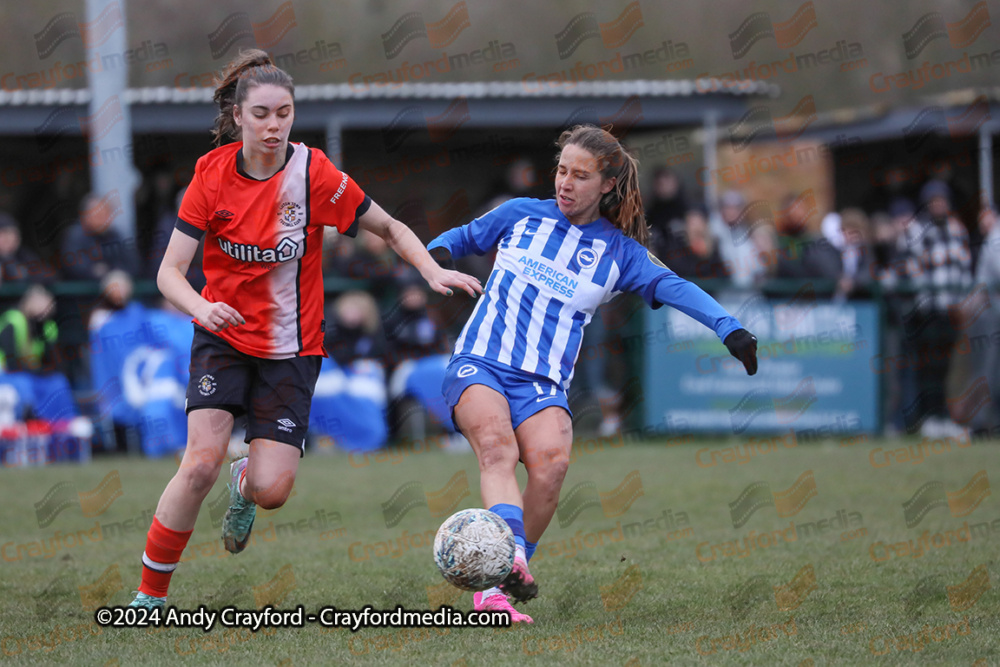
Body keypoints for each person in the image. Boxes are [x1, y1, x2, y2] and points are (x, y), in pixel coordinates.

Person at [128, 49, 481, 609]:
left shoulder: (314, 173)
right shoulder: (210, 175)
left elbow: (388, 227)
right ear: (238, 116)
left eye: (285, 113)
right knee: (197, 464)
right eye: (263, 114)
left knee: (273, 491)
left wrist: (432, 267)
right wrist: (201, 306)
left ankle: (246, 485)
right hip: (221, 336)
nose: (274, 125)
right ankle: (149, 597)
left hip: (292, 348)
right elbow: (168, 273)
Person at [427, 125, 758, 623]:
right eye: (561, 170)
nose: (565, 183)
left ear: (606, 185)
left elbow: (677, 286)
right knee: (498, 448)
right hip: (479, 362)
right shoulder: (519, 214)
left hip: (541, 383)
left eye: (580, 176)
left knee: (553, 466)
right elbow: (458, 237)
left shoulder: (619, 252)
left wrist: (730, 329)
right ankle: (496, 581)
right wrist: (438, 257)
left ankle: (512, 565)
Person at [895, 180, 972, 438]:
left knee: (946, 366)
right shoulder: (916, 231)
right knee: (925, 367)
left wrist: (962, 303)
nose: (938, 205)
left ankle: (942, 416)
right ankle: (927, 417)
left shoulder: (957, 229)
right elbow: (909, 271)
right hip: (926, 311)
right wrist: (923, 302)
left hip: (950, 310)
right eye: (933, 200)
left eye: (941, 200)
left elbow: (963, 270)